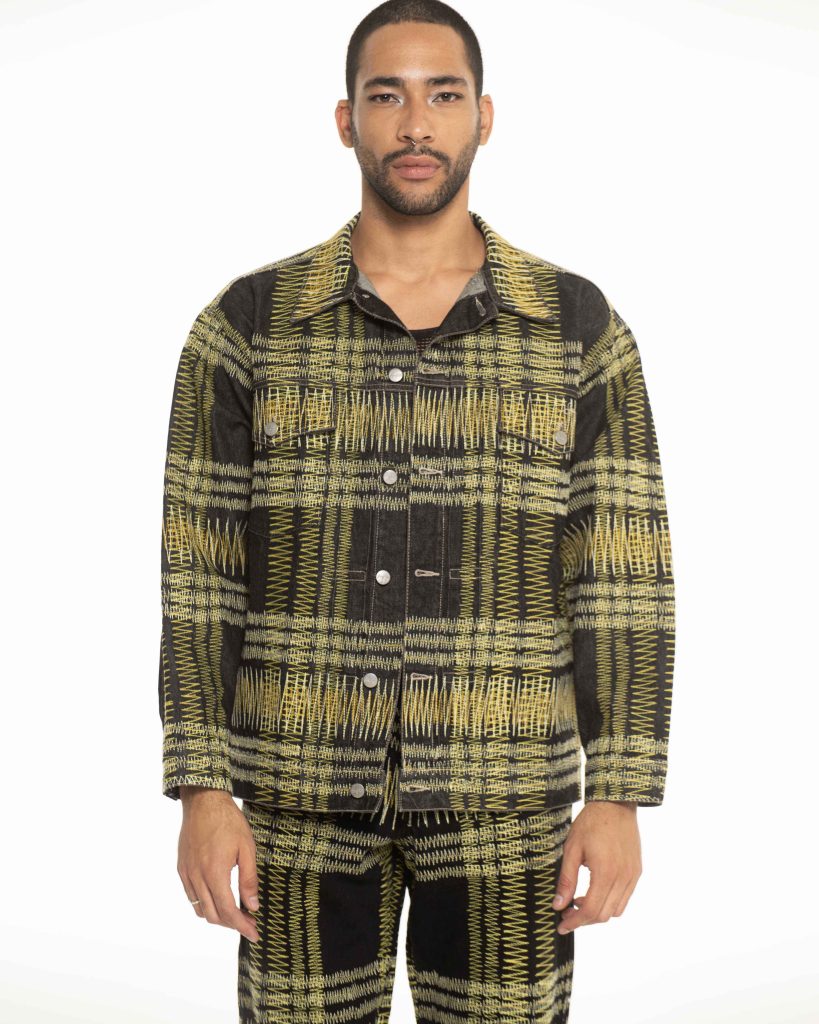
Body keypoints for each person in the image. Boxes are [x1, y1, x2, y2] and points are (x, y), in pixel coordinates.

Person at [158, 2, 676, 1020]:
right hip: (296, 801)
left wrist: (618, 791)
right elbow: (199, 574)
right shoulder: (249, 325)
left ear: (483, 115)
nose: (414, 125)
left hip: (508, 806)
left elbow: (622, 573)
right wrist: (202, 788)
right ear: (344, 119)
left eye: (442, 95)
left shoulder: (576, 328)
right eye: (385, 95)